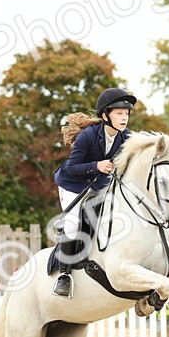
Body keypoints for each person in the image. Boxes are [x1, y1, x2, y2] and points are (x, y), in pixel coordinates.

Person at [50, 87, 135, 298]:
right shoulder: (88, 136)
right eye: (119, 113)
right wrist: (97, 165)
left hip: (98, 185)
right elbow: (72, 167)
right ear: (105, 115)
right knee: (73, 224)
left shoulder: (126, 137)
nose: (124, 118)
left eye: (126, 113)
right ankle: (64, 276)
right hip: (72, 184)